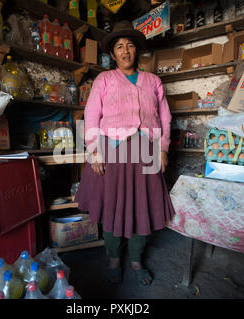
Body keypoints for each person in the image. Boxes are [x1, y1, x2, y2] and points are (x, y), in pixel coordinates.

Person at [74, 20, 175, 286]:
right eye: (119, 46)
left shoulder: (153, 81)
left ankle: (136, 260)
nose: (125, 51)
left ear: (136, 50)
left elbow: (165, 117)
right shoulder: (104, 79)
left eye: (130, 45)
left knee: (142, 208)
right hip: (111, 150)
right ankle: (113, 260)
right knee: (111, 208)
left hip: (146, 151)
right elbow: (91, 115)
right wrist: (94, 150)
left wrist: (163, 149)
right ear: (113, 53)